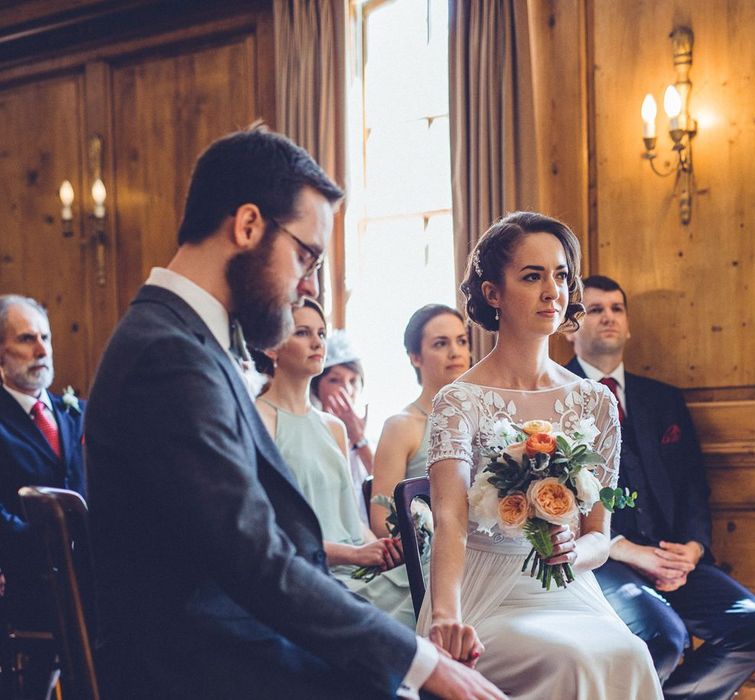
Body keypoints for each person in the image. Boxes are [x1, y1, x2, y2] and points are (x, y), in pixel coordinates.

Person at [85, 125, 504, 700]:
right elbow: (253, 556)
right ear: (248, 225)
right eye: (305, 256)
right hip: (201, 665)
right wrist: (422, 662)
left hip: (240, 639)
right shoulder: (168, 354)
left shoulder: (187, 341)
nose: (307, 283)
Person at [416, 211, 663, 699]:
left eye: (561, 275)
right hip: (483, 593)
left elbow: (599, 535)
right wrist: (446, 617)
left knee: (630, 653)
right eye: (532, 276)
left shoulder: (594, 401)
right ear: (493, 293)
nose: (553, 291)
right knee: (571, 660)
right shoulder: (459, 401)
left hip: (566, 590)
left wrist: (575, 550)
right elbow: (450, 519)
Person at [565, 274, 755, 698]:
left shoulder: (664, 399)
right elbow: (553, 500)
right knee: (663, 638)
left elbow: (694, 483)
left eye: (617, 309)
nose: (608, 318)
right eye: (595, 309)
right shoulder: (552, 394)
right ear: (570, 327)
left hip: (673, 554)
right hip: (600, 560)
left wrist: (693, 547)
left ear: (628, 324)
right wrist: (623, 548)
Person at [257, 299, 415, 627]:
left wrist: (382, 548)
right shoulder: (260, 418)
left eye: (321, 333)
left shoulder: (334, 427)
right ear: (273, 347)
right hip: (315, 572)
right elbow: (270, 530)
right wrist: (354, 555)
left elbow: (351, 519)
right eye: (302, 333)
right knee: (419, 603)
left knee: (432, 580)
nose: (317, 342)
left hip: (359, 565)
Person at [0, 294, 87, 623]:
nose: (42, 350)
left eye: (45, 337)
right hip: (27, 577)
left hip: (89, 572)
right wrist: (50, 546)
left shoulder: (76, 411)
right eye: (26, 339)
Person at [371, 305, 470, 538]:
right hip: (426, 561)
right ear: (415, 357)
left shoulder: (488, 419)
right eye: (440, 343)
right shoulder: (401, 426)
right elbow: (381, 521)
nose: (455, 352)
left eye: (462, 341)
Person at [311, 329, 372, 521]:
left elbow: (386, 489)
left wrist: (359, 439)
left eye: (353, 381)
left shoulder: (371, 435)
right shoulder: (310, 430)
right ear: (317, 386)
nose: (346, 389)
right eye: (334, 380)